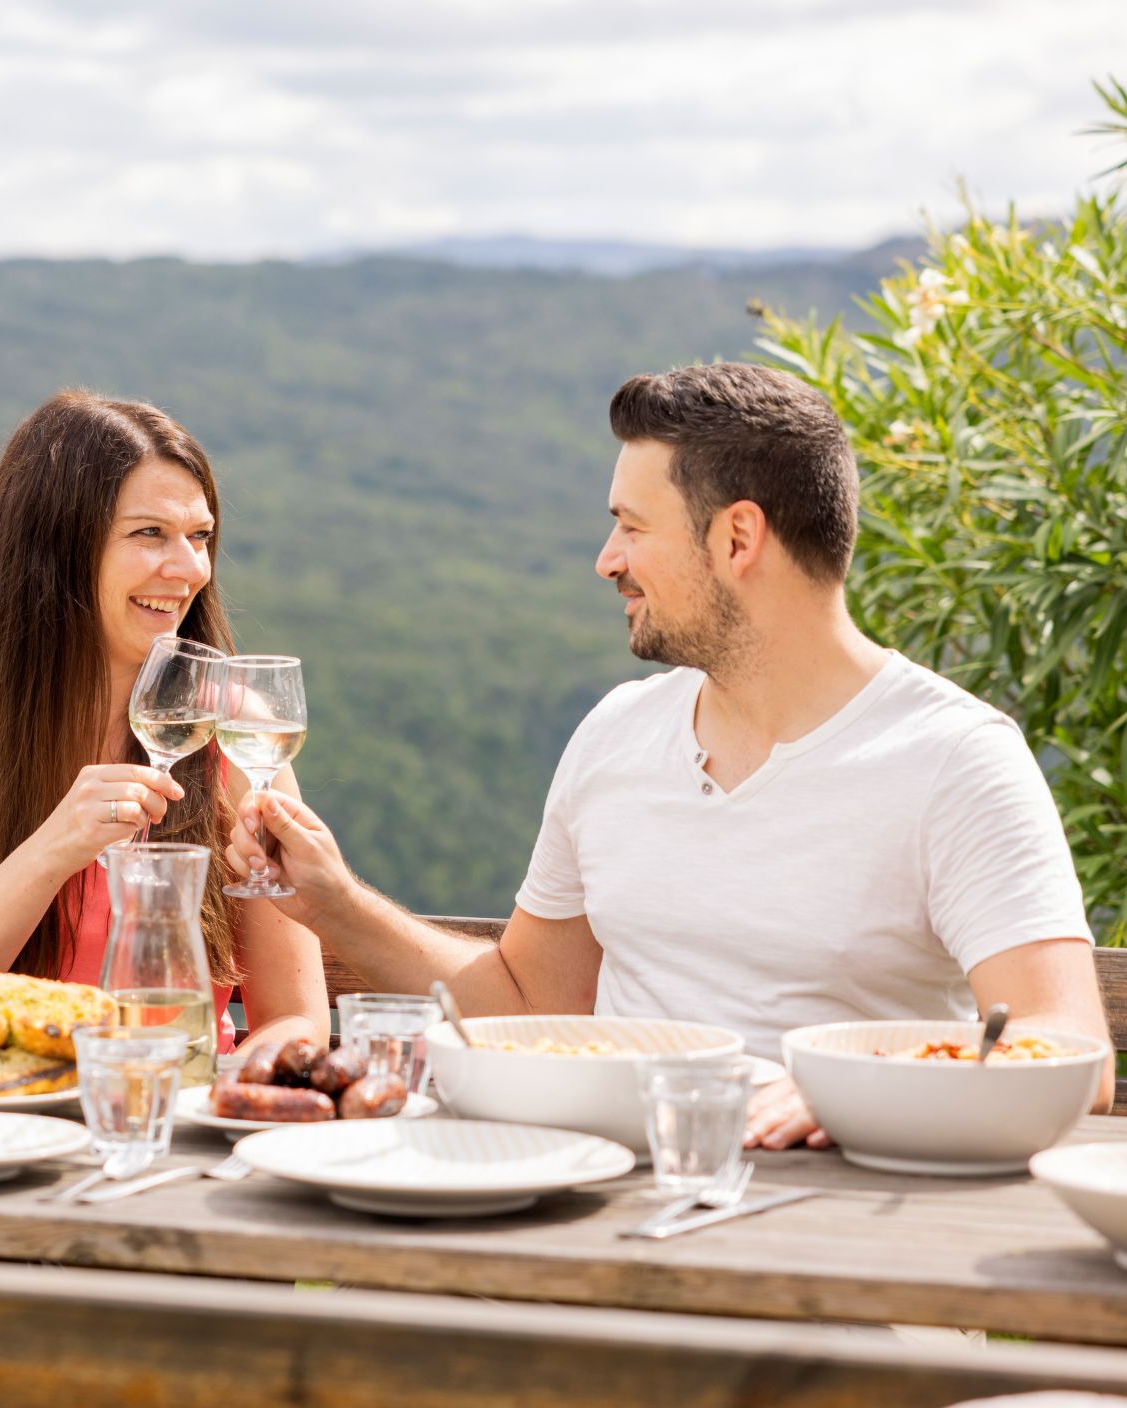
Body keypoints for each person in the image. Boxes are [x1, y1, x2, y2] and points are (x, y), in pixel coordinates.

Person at [225, 361, 1110, 1147]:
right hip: (604, 1193)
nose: (607, 559)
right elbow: (534, 1003)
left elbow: (1070, 1049)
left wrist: (852, 1090)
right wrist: (335, 904)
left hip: (836, 1219)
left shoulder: (954, 760)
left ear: (737, 539)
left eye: (632, 526)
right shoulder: (619, 733)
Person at [0, 390, 328, 1053]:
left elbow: (296, 1018)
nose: (191, 569)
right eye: (150, 534)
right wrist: (53, 850)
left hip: (177, 1102)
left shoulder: (236, 730)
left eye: (200, 537)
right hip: (4, 1102)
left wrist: (239, 1084)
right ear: (57, 547)